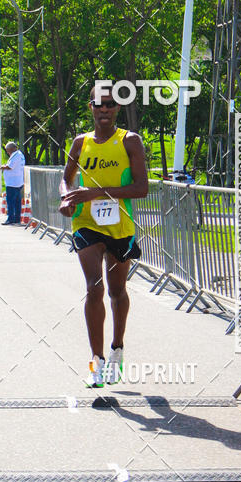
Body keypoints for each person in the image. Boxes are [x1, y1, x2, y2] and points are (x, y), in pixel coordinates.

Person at [59, 87, 148, 387]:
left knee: (116, 291)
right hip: (86, 223)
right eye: (100, 104)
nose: (105, 109)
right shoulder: (80, 142)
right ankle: (96, 363)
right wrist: (66, 198)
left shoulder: (129, 141)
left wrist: (95, 193)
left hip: (119, 226)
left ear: (118, 108)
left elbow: (141, 188)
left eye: (111, 104)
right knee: (93, 288)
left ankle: (117, 349)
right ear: (92, 107)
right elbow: (66, 178)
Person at [0, 141, 26, 226]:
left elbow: (9, 167)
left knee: (11, 201)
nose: (7, 152)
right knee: (17, 201)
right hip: (17, 181)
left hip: (13, 183)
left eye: (8, 150)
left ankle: (10, 219)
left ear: (12, 149)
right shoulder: (19, 155)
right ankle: (16, 219)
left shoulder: (16, 156)